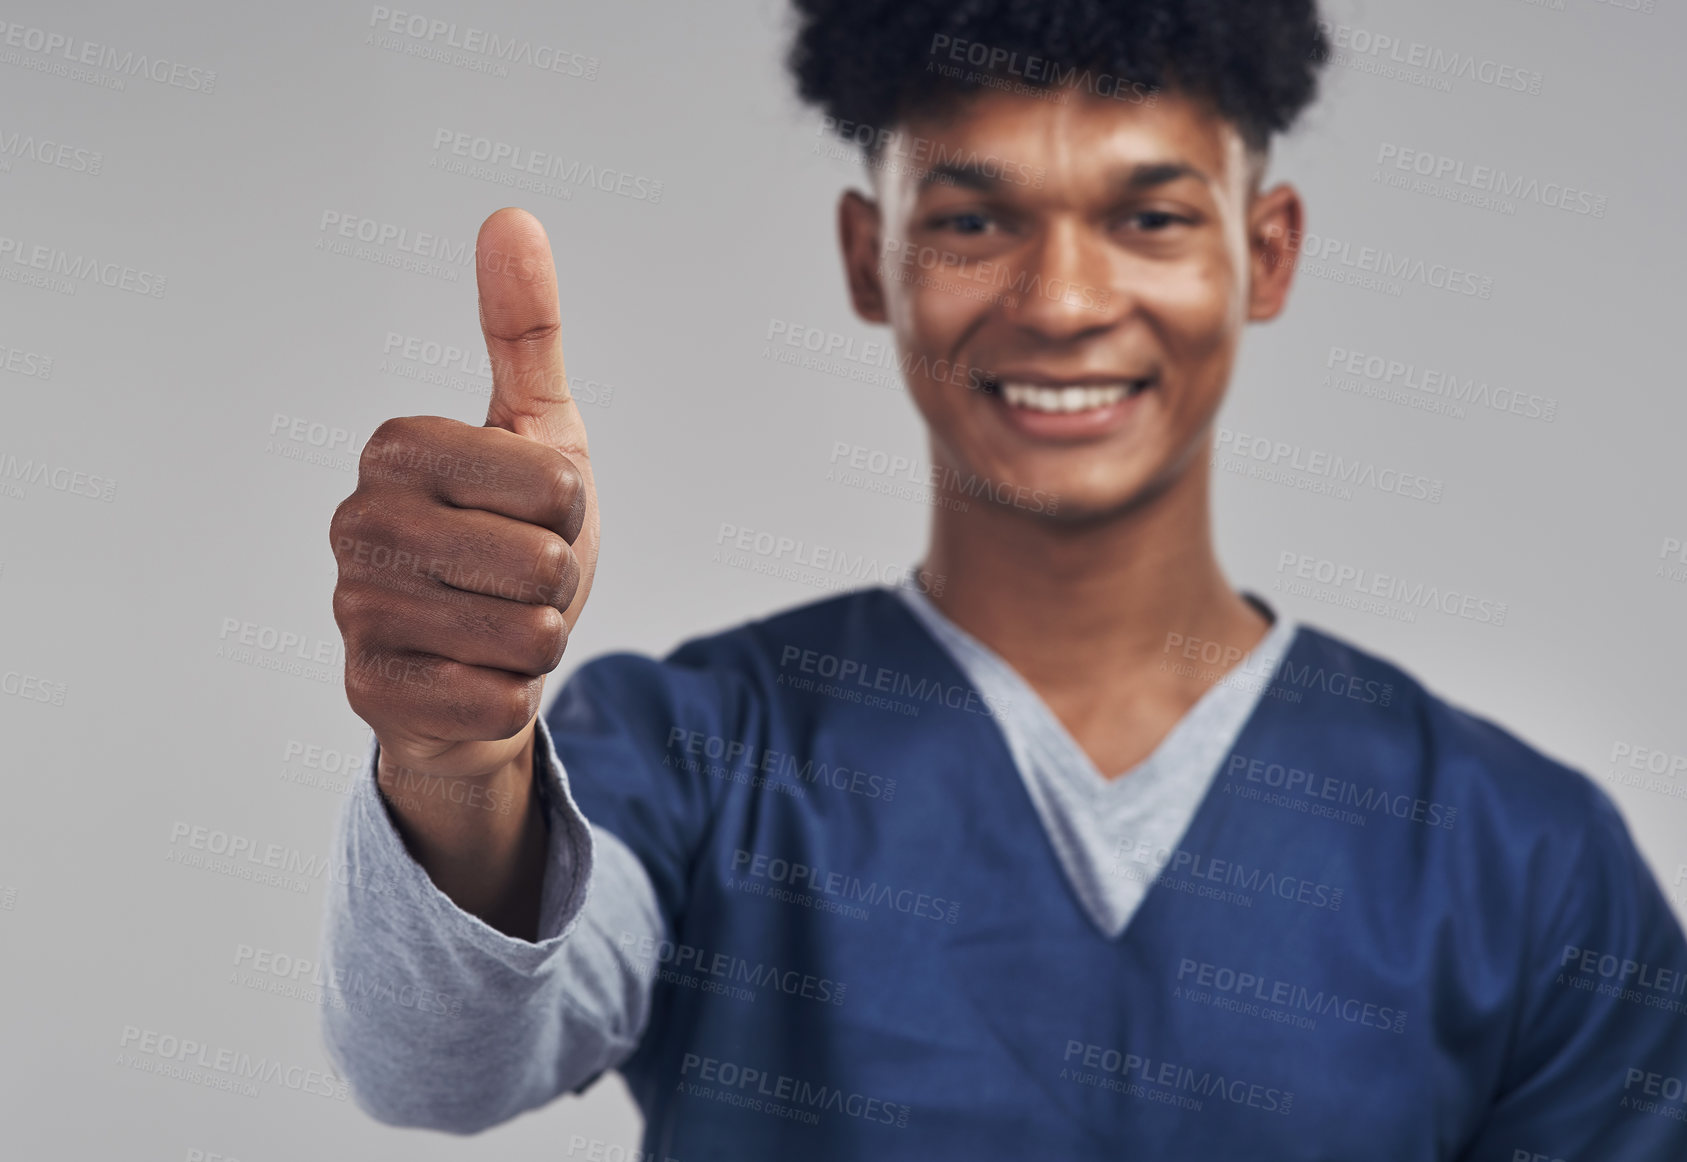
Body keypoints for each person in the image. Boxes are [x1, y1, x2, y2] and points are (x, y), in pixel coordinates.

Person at [320, 1, 1687, 1156]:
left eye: (1150, 215)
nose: (1063, 299)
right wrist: (453, 753)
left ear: (1263, 252)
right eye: (974, 221)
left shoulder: (1527, 856)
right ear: (871, 259)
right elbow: (437, 1064)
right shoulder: (697, 752)